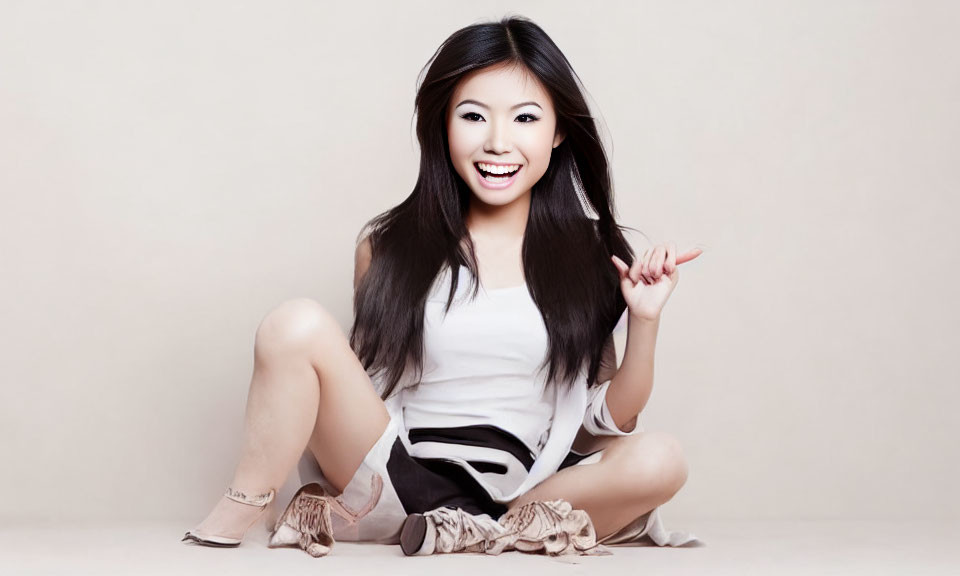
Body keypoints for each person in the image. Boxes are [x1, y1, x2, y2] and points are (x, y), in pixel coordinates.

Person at [182, 14, 704, 553]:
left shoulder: (593, 254)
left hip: (523, 493)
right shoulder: (388, 247)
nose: (498, 142)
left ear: (558, 131)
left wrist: (643, 320)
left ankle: (473, 529)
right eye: (474, 116)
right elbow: (367, 388)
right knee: (293, 323)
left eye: (525, 118)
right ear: (444, 125)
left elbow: (605, 427)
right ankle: (246, 501)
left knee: (661, 458)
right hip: (399, 478)